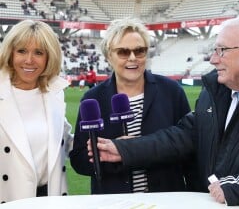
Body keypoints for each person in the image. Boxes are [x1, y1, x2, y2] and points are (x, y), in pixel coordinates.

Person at [94, 14, 239, 206]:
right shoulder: (217, 90)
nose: (213, 59)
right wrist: (126, 150)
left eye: (222, 50)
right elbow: (183, 136)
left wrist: (235, 187)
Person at [70, 17, 191, 194]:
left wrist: (133, 150)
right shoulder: (93, 99)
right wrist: (108, 157)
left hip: (165, 199)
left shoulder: (171, 92)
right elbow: (79, 160)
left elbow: (187, 145)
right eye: (123, 52)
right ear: (108, 56)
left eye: (139, 51)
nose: (133, 58)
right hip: (113, 202)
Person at [0, 20, 73, 203]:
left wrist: (102, 144)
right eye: (22, 51)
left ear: (49, 57)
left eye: (38, 53)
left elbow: (65, 142)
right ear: (10, 53)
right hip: (8, 199)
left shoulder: (55, 94)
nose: (29, 60)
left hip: (49, 197)